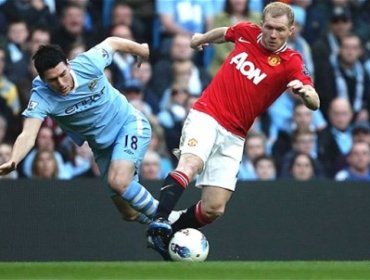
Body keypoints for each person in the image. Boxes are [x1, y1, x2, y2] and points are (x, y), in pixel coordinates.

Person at [146, 2, 320, 260]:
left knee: (214, 208)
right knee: (190, 163)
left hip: (235, 134)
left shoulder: (292, 62)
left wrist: (307, 95)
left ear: (291, 30)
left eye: (280, 30)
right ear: (261, 24)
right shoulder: (247, 32)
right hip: (207, 114)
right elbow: (225, 32)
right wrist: (199, 39)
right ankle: (158, 222)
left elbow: (315, 101)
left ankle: (170, 229)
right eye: (269, 27)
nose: (273, 35)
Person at [0, 36, 163, 225]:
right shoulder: (41, 96)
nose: (61, 83)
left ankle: (172, 219)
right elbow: (28, 134)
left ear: (68, 64)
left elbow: (112, 42)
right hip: (102, 147)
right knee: (129, 213)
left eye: (63, 74)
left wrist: (141, 49)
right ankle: (163, 231)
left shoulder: (89, 62)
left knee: (118, 182)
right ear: (43, 80)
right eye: (52, 80)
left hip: (129, 124)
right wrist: (14, 159)